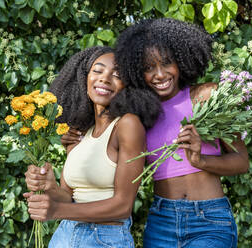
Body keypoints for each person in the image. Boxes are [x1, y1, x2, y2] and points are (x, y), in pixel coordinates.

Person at [63, 18, 249, 247]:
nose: (159, 74)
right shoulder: (137, 115)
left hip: (208, 219)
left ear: (182, 61)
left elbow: (242, 162)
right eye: (148, 68)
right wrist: (77, 144)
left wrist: (200, 160)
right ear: (137, 73)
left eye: (167, 63)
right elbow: (108, 158)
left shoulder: (207, 96)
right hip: (161, 221)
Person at [23, 46, 161, 248]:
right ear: (84, 78)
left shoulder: (127, 125)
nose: (105, 79)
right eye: (98, 71)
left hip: (104, 238)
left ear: (128, 86)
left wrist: (55, 211)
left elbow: (122, 206)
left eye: (117, 75)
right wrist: (49, 187)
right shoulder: (80, 133)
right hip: (65, 235)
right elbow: (69, 198)